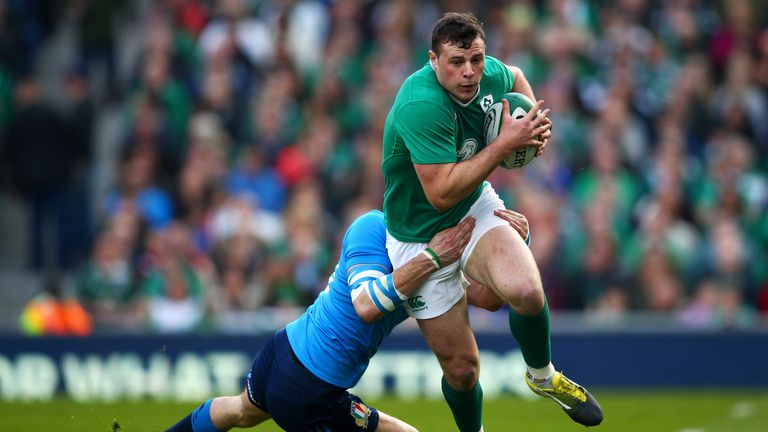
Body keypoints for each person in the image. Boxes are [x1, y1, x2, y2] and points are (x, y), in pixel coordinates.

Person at [381, 12, 603, 428]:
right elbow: (441, 191)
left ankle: (543, 376)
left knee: (526, 290)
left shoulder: (489, 75)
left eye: (477, 60)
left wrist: (534, 126)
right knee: (463, 371)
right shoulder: (420, 104)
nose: (469, 73)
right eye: (456, 62)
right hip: (418, 236)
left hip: (472, 206)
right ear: (433, 60)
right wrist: (504, 145)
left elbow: (517, 77)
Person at [165, 208, 529, 432]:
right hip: (310, 386)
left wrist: (513, 248)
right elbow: (366, 305)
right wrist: (434, 257)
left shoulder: (434, 249)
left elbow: (488, 298)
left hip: (287, 352)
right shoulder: (372, 228)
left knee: (238, 411)